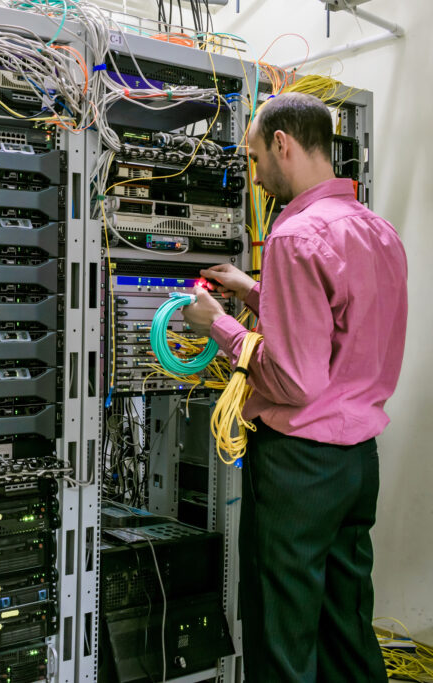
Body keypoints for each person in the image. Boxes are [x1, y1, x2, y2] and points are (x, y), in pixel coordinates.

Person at [182, 92, 407, 683]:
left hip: (300, 467)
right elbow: (341, 327)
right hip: (357, 463)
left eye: (256, 159)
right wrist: (253, 292)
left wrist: (220, 327)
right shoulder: (377, 231)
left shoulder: (294, 234)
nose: (256, 176)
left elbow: (294, 379)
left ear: (283, 143)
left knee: (282, 636)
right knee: (346, 630)